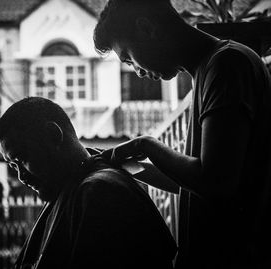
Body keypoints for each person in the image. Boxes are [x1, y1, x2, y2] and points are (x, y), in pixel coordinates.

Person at [93, 0, 271, 268]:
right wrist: (126, 166)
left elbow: (216, 181)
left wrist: (147, 144)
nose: (138, 72)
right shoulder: (209, 72)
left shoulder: (227, 66)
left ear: (146, 28)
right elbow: (188, 182)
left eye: (129, 58)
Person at [0, 97, 177, 269]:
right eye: (13, 165)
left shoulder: (101, 192)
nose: (21, 176)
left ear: (53, 135)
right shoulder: (70, 190)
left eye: (22, 158)